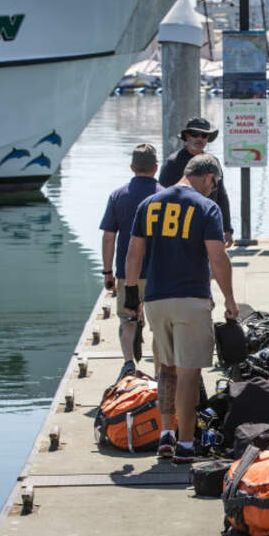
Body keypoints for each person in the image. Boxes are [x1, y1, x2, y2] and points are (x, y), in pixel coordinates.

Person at [123, 154, 239, 463]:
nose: (213, 189)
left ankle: (166, 434)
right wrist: (229, 299)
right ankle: (186, 445)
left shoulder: (148, 204)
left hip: (156, 300)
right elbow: (218, 257)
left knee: (166, 368)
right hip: (191, 298)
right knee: (189, 373)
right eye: (214, 183)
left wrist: (132, 296)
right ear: (208, 176)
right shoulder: (206, 207)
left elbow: (134, 253)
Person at [98, 144, 162, 379]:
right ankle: (159, 372)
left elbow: (108, 237)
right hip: (158, 272)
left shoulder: (118, 196)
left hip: (127, 273)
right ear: (156, 167)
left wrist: (108, 272)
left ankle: (128, 364)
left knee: (127, 319)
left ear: (132, 167)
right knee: (158, 324)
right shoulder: (165, 195)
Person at [158, 117, 234, 246]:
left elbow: (221, 196)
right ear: (187, 136)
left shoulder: (214, 162)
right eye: (195, 134)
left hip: (208, 222)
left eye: (204, 135)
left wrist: (227, 229)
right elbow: (161, 197)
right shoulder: (173, 162)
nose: (200, 139)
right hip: (181, 227)